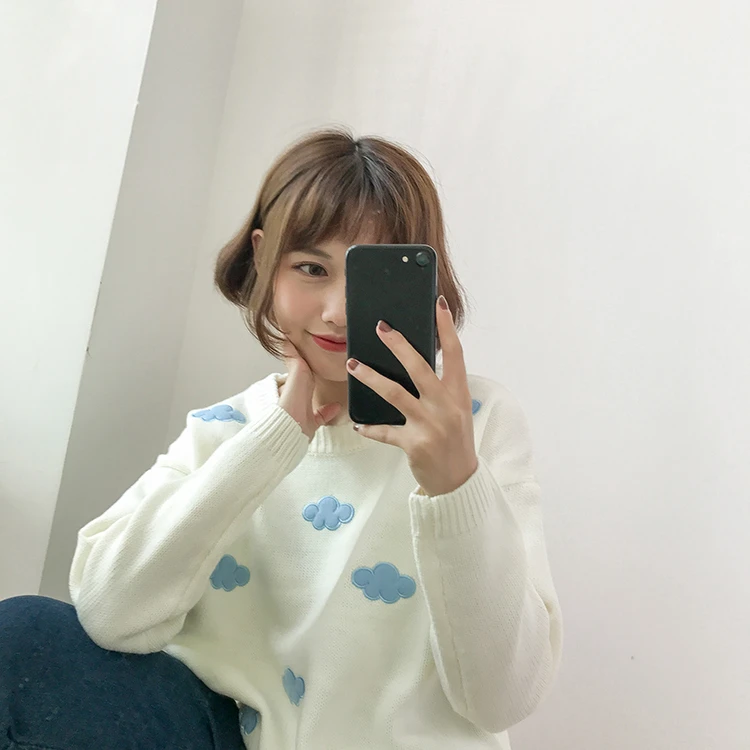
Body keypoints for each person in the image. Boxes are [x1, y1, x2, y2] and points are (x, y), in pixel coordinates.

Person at [0, 127, 562, 750]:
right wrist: (271, 442)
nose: (338, 312)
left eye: (370, 277)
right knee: (25, 634)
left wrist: (456, 484)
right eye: (311, 268)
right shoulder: (227, 428)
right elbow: (109, 612)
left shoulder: (480, 421)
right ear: (266, 261)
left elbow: (504, 697)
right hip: (221, 733)